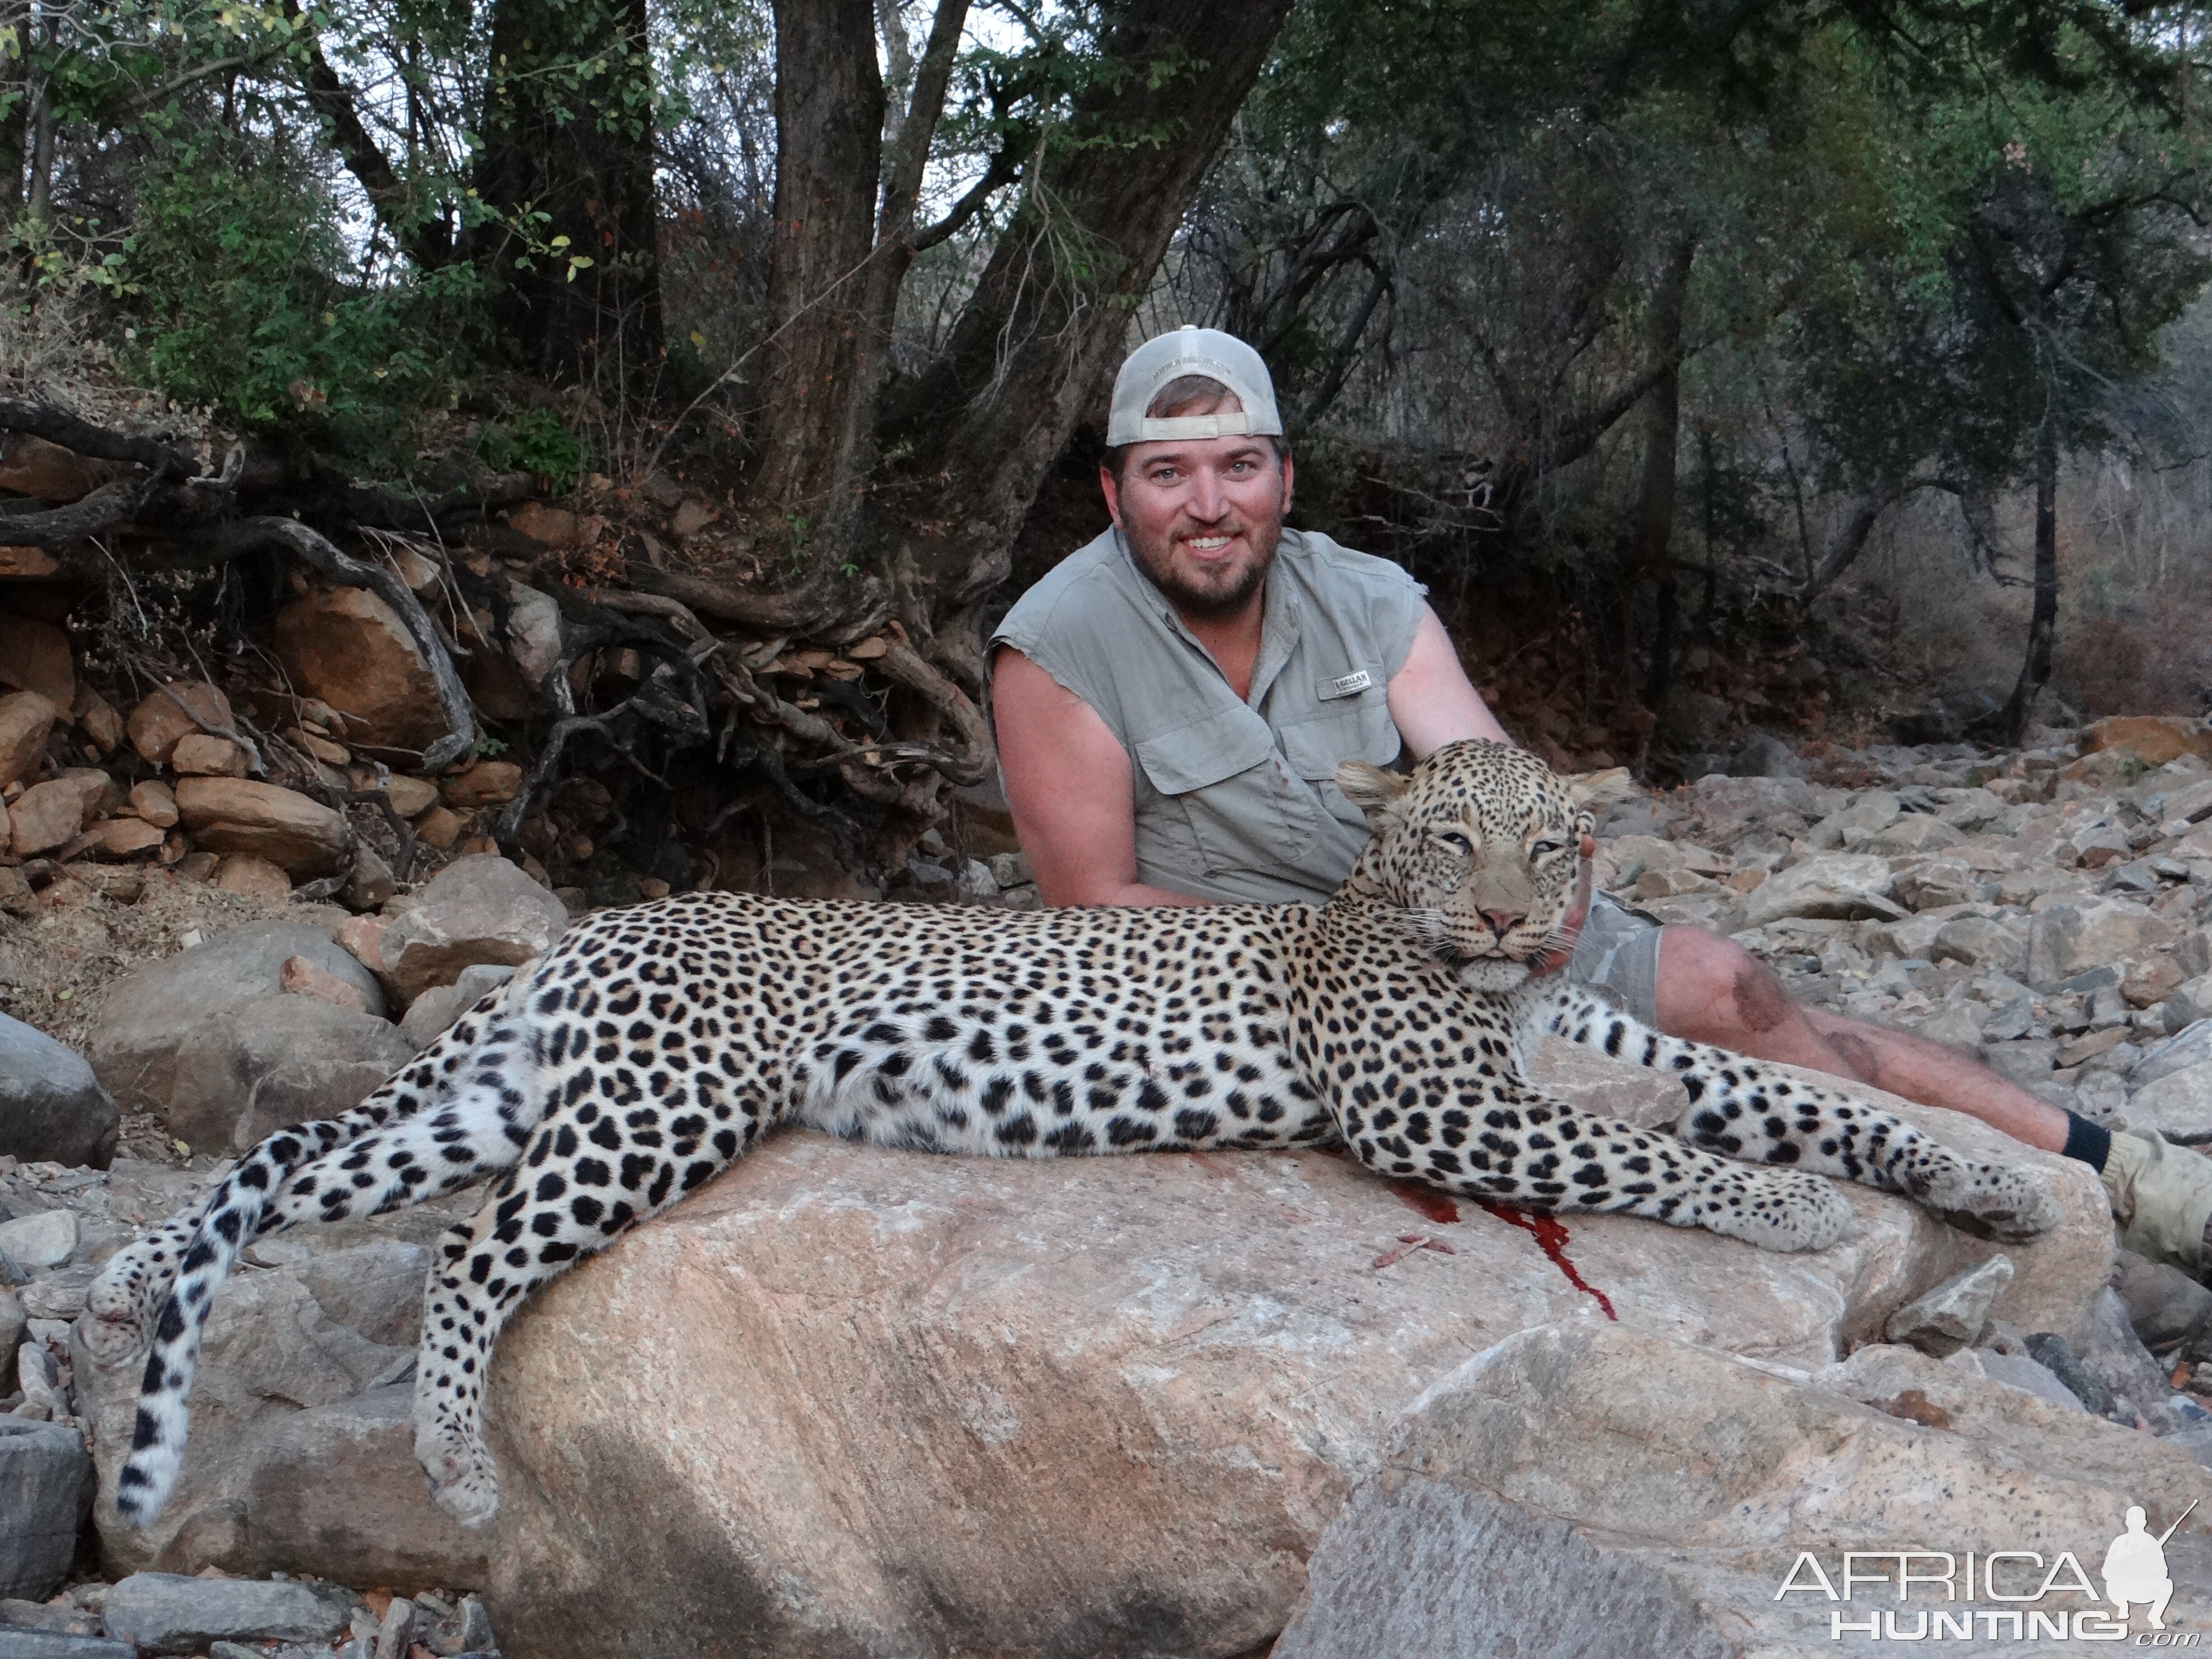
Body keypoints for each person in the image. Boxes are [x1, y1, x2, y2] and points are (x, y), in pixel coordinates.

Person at [988, 324, 2212, 1280]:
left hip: (1476, 919)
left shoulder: (1365, 595)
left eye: (1238, 466)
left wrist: (1552, 901)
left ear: (1283, 478)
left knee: (1738, 990)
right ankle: (1918, 1192)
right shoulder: (1057, 644)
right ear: (1115, 493)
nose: (1209, 504)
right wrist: (1356, 986)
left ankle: (2125, 1175)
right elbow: (1097, 909)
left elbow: (1506, 785)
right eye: (1170, 475)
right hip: (1279, 984)